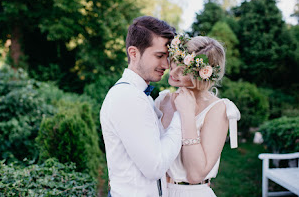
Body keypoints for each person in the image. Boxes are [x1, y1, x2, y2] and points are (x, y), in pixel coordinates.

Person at [100, 16, 183, 197]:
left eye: (167, 57)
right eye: (160, 56)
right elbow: (155, 167)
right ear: (134, 53)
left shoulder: (139, 95)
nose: (166, 65)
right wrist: (182, 116)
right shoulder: (127, 97)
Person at [155, 34, 240, 197]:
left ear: (203, 75)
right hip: (156, 191)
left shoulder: (217, 109)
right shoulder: (162, 100)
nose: (174, 71)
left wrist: (186, 114)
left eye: (185, 70)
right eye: (176, 62)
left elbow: (196, 175)